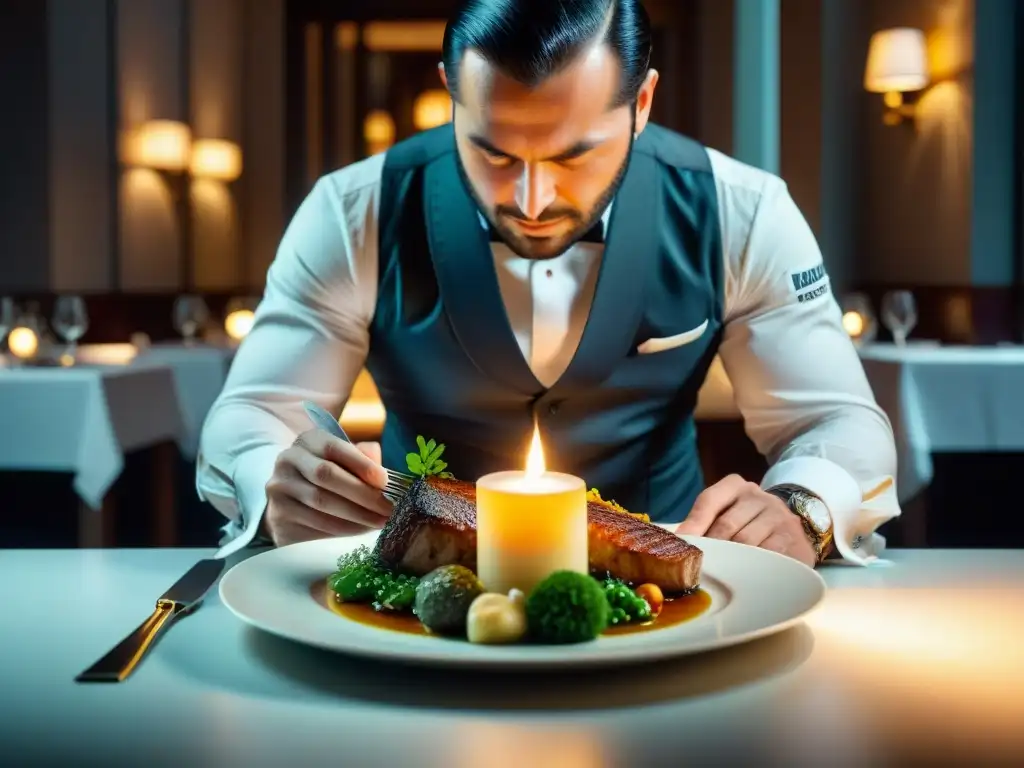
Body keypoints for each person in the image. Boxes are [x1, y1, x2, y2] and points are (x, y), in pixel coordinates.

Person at [197, 0, 900, 567]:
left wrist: (803, 510)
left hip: (670, 591)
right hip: (417, 591)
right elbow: (250, 414)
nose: (532, 200)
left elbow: (838, 420)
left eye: (576, 154)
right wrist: (273, 483)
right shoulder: (351, 212)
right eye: (494, 151)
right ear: (450, 93)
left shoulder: (745, 212)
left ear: (643, 103)